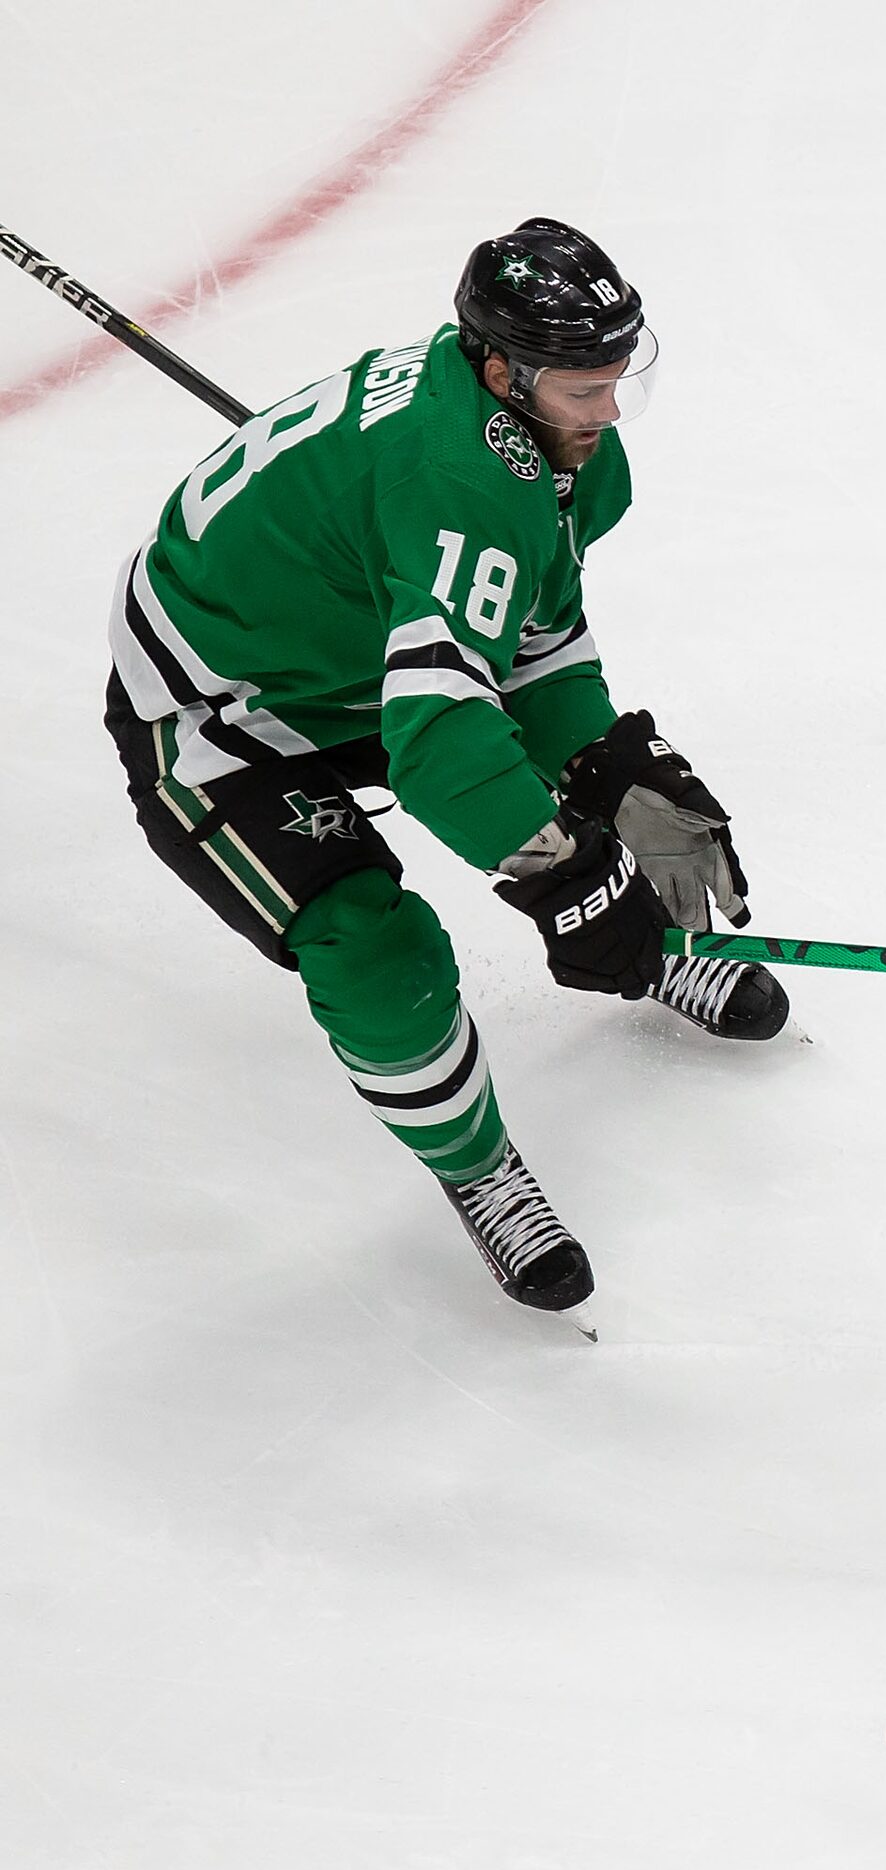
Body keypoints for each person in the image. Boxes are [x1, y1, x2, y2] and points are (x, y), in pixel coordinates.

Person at [102, 217, 787, 1321]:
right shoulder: (465, 483)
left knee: (574, 796)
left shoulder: (539, 449)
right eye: (584, 388)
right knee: (373, 945)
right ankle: (478, 1169)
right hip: (224, 709)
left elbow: (530, 641)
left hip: (348, 647)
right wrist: (570, 886)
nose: (609, 414)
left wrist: (612, 768)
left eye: (620, 379)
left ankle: (638, 949)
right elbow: (440, 740)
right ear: (502, 370)